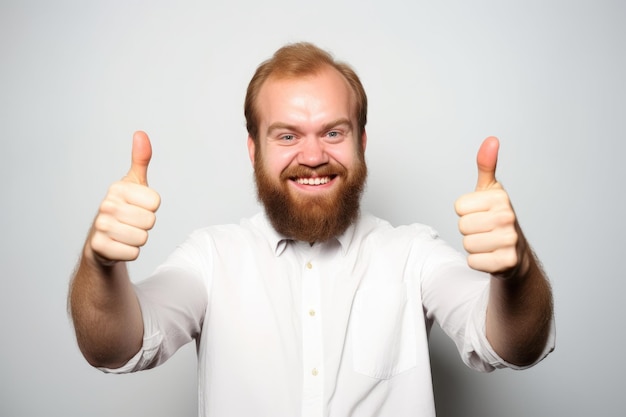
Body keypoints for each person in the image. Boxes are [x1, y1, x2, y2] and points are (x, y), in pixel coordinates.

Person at [69, 42, 554, 417]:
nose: (314, 155)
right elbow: (114, 348)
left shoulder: (412, 253)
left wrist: (517, 272)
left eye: (333, 132)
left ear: (361, 142)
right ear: (253, 150)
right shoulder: (212, 257)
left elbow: (512, 345)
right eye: (286, 135)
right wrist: (101, 265)